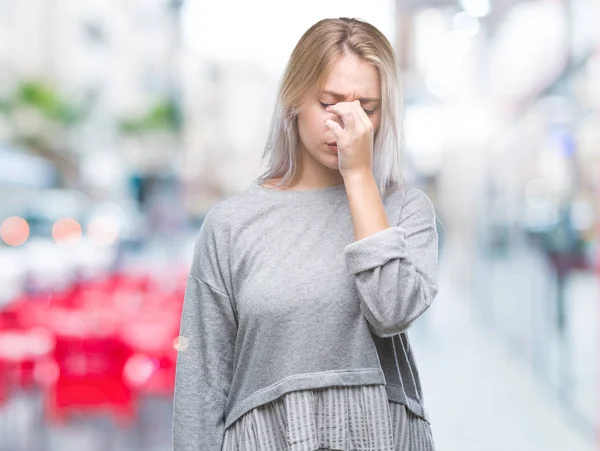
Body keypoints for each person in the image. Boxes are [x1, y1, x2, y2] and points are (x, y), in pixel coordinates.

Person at [173, 17, 439, 451]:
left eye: (365, 109)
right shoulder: (231, 224)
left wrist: (359, 178)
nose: (346, 124)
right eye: (330, 103)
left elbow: (392, 311)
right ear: (295, 99)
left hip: (381, 434)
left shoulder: (405, 209)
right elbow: (201, 378)